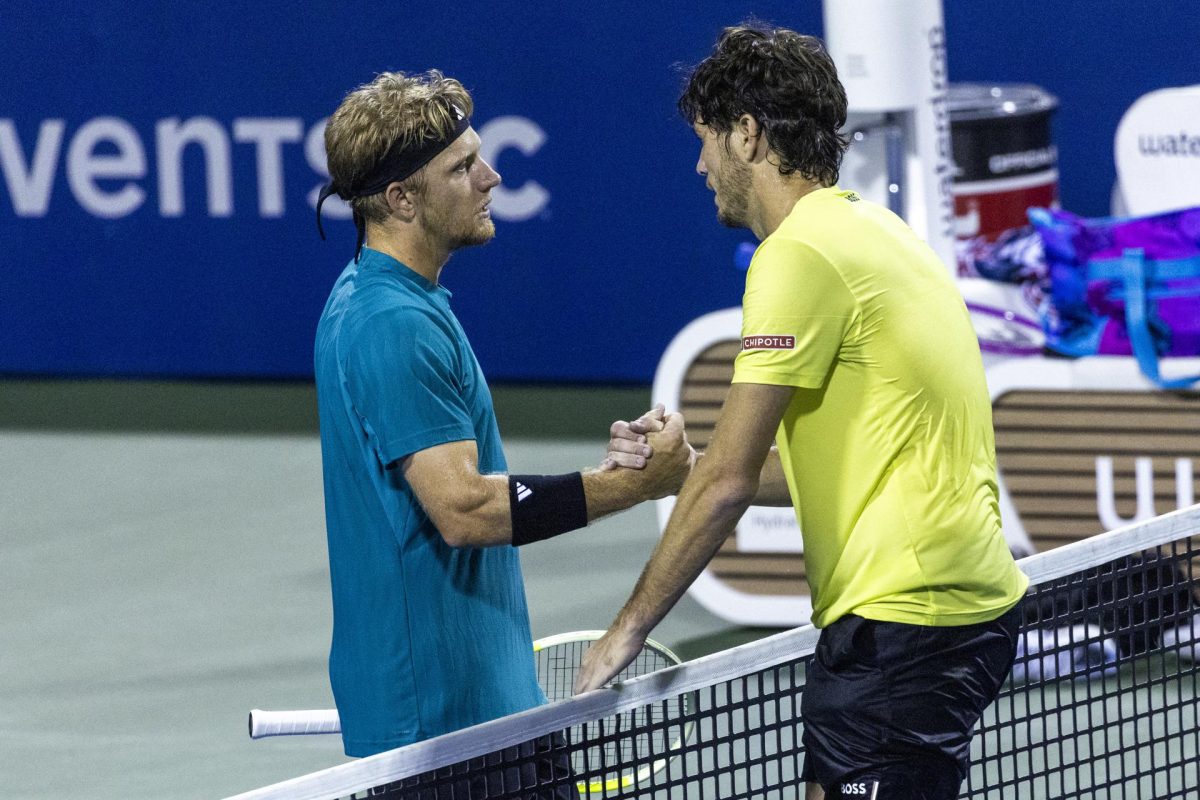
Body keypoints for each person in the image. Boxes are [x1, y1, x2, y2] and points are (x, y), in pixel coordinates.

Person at [575, 23, 1030, 800]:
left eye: (708, 140)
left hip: (903, 627)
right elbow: (845, 463)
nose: (701, 165)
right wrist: (683, 467)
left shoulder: (797, 253)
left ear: (747, 136)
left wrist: (626, 631)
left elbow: (727, 481)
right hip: (948, 614)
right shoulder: (876, 232)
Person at [312, 69, 692, 790]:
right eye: (462, 167)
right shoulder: (391, 323)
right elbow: (465, 509)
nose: (490, 177)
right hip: (448, 732)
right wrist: (632, 487)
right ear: (400, 198)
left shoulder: (398, 300)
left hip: (487, 709)